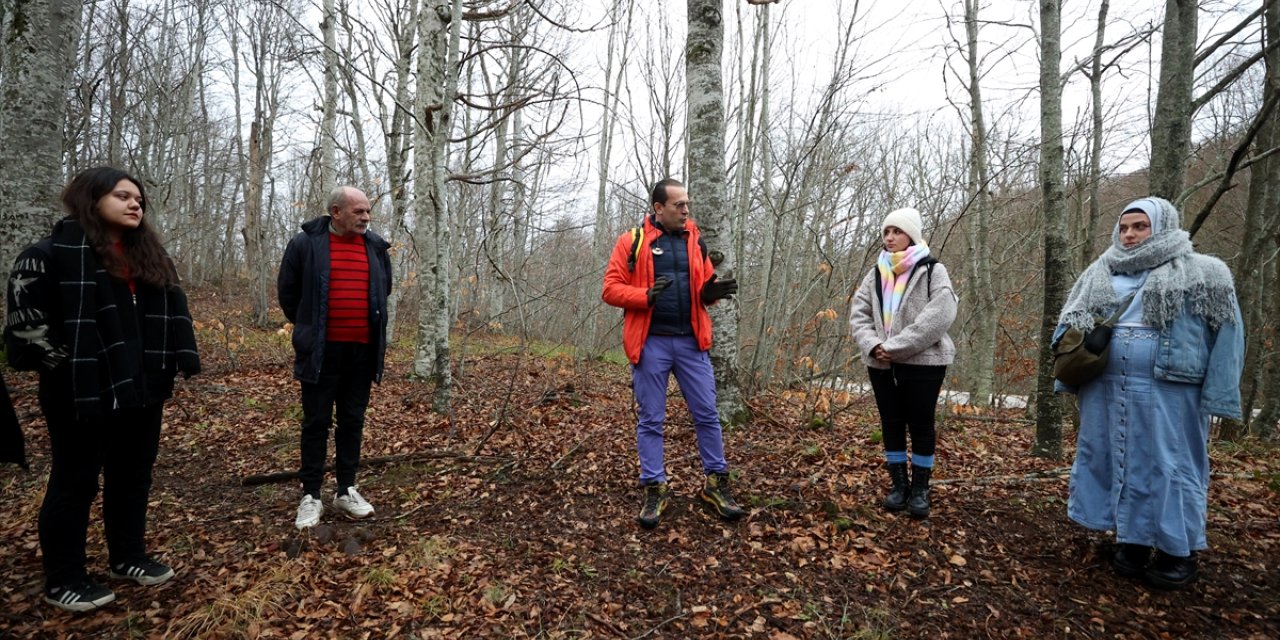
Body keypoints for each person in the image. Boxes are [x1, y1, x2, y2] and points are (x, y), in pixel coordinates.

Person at [4, 166, 200, 612]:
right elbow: (26, 329)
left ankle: (127, 557)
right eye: (123, 196)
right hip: (79, 391)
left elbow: (171, 315)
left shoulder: (151, 258)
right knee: (75, 482)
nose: (136, 204)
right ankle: (64, 578)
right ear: (91, 200)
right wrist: (69, 365)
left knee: (133, 476)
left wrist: (164, 366)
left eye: (139, 199)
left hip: (144, 387)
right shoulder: (47, 255)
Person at [1054, 197, 1243, 590]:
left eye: (1140, 226)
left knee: (1170, 466)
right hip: (1105, 388)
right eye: (1124, 227)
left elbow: (1228, 335)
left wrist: (1220, 395)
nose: (1129, 234)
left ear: (1163, 226)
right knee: (1116, 460)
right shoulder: (1100, 271)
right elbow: (1068, 326)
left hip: (1171, 391)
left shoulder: (1206, 273)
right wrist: (1069, 376)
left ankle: (1178, 550)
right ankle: (1133, 541)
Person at [601, 178, 745, 529]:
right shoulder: (631, 242)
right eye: (678, 205)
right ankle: (655, 486)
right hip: (651, 342)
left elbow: (702, 290)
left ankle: (716, 484)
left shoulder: (695, 240)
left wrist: (712, 291)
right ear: (658, 208)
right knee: (651, 419)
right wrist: (644, 296)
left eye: (687, 204)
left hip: (691, 343)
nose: (685, 210)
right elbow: (610, 288)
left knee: (708, 415)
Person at [278, 186, 391, 530]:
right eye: (358, 212)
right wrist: (310, 329)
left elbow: (383, 290)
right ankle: (311, 495)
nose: (366, 217)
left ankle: (346, 489)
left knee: (353, 420)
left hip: (362, 351)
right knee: (316, 423)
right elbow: (288, 294)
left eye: (368, 211)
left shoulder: (375, 247)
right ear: (336, 211)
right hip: (321, 352)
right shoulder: (305, 245)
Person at [849, 207, 957, 519]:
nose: (890, 237)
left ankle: (920, 489)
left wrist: (895, 347)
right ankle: (899, 485)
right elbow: (859, 314)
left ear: (911, 234)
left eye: (897, 231)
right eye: (886, 232)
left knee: (921, 424)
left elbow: (940, 315)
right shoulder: (876, 273)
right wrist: (874, 346)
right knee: (891, 423)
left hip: (925, 362)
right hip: (881, 362)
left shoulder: (933, 270)